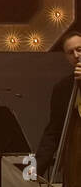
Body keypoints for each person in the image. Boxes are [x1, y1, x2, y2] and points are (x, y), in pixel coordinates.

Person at [37, 31, 81, 179]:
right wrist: (32, 172)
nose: (76, 55)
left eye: (79, 49)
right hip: (74, 168)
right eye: (70, 52)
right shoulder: (62, 88)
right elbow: (53, 132)